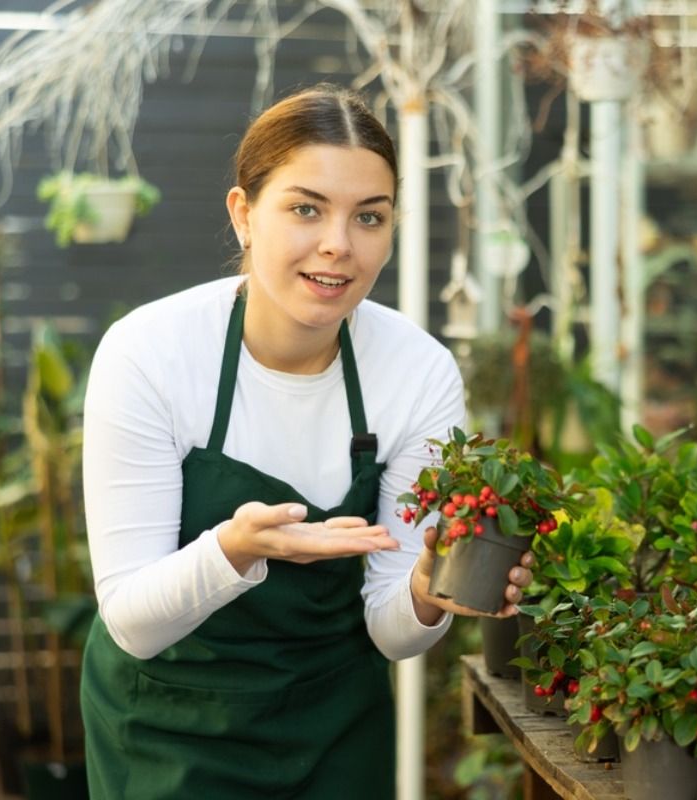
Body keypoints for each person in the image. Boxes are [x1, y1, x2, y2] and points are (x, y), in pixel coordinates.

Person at [79, 83, 531, 799]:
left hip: (335, 728)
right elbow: (133, 622)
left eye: (369, 217)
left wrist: (425, 591)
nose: (338, 245)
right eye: (305, 208)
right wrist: (238, 548)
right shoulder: (150, 354)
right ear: (244, 215)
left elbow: (393, 633)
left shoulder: (415, 372)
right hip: (167, 729)